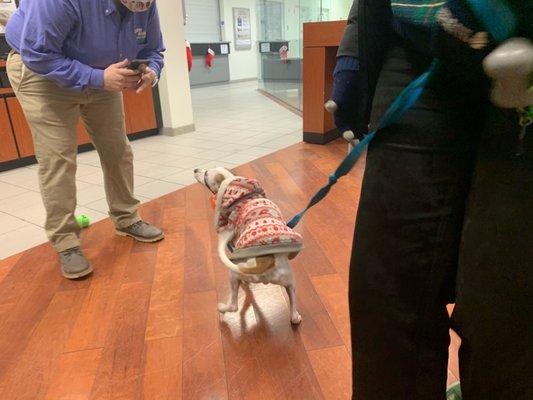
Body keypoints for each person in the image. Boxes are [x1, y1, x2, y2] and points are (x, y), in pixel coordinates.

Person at [331, 0, 532, 399]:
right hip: (416, 50)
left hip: (522, 61)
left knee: (507, 319)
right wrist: (354, 49)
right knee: (386, 301)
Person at [5, 0, 166, 279]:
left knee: (118, 150)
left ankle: (126, 218)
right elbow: (39, 54)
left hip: (103, 73)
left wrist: (152, 69)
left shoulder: (144, 4)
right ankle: (66, 241)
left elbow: (153, 49)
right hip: (42, 72)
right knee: (58, 158)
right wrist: (96, 77)